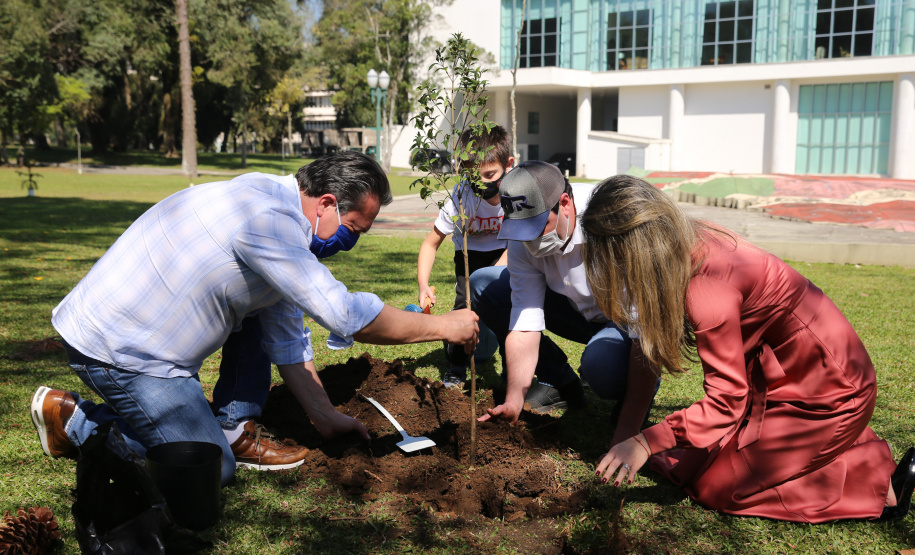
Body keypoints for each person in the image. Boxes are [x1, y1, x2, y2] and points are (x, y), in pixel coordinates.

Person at [31, 151, 478, 486]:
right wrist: (445, 326)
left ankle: (233, 425)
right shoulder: (270, 222)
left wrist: (323, 416)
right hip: (121, 353)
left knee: (258, 318)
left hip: (133, 335)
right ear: (326, 203)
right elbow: (346, 317)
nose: (350, 242)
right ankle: (76, 421)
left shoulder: (268, 195)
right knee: (212, 467)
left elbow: (285, 336)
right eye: (354, 229)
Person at [580, 174, 915, 523]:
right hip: (786, 382)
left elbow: (725, 403)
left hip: (831, 397)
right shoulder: (691, 238)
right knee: (687, 462)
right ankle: (840, 449)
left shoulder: (707, 290)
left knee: (719, 488)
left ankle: (877, 482)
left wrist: (646, 442)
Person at [472, 161, 658, 435]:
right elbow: (525, 322)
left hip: (626, 321)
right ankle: (560, 383)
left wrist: (627, 431)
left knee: (601, 367)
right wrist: (514, 399)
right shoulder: (523, 232)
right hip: (571, 308)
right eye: (523, 232)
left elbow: (646, 335)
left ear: (565, 203)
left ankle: (636, 394)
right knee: (487, 284)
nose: (532, 241)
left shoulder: (615, 221)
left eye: (539, 227)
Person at [416, 125, 512, 388]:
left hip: (507, 254)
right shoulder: (460, 197)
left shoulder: (517, 194)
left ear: (509, 165)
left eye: (489, 174)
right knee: (464, 309)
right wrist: (424, 285)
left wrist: (495, 276)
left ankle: (511, 369)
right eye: (472, 175)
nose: (480, 182)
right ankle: (457, 367)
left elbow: (523, 243)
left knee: (509, 310)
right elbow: (430, 244)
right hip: (469, 257)